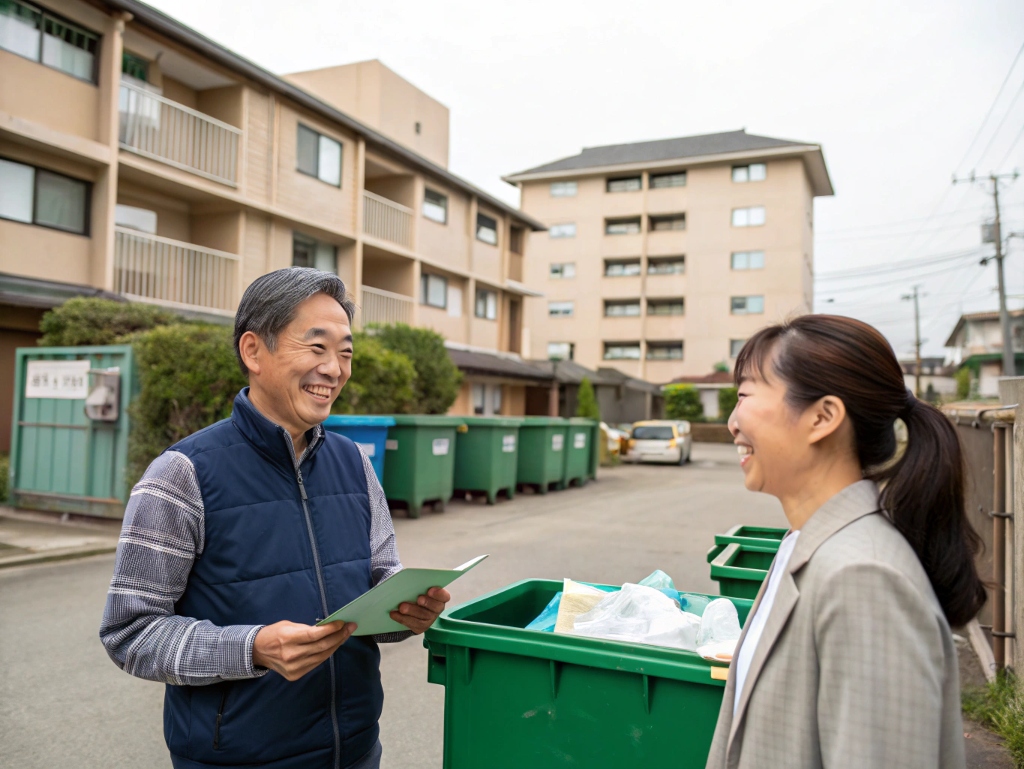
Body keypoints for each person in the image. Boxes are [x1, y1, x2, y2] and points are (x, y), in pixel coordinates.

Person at [100, 268, 450, 769]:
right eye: (317, 347)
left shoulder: (354, 463)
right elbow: (131, 633)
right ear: (253, 351)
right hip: (237, 759)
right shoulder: (181, 475)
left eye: (346, 352)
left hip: (354, 751)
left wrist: (405, 612)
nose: (334, 369)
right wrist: (252, 648)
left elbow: (379, 579)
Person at [705, 314, 985, 769]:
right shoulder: (807, 544)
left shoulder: (863, 577)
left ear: (823, 417)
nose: (733, 423)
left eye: (745, 396)